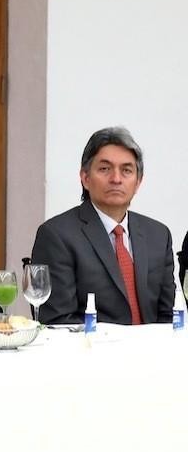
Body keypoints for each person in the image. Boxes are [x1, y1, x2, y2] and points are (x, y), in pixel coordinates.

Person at [32, 127, 175, 324]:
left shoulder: (159, 235)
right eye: (105, 169)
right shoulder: (57, 235)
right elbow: (58, 322)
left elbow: (170, 316)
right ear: (85, 178)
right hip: (90, 352)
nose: (116, 179)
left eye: (126, 170)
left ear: (138, 182)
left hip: (153, 352)